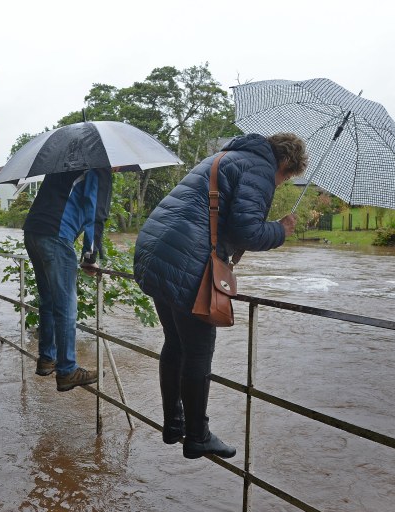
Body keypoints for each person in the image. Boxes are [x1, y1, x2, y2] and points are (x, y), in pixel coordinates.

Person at [133, 133, 308, 459]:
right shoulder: (259, 169)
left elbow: (218, 216)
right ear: (284, 163)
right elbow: (248, 230)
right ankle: (197, 436)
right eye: (284, 178)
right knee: (198, 351)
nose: (280, 183)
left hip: (155, 250)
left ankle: (173, 424)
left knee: (175, 342)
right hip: (185, 258)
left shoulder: (226, 156)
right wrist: (280, 231)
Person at [22, 167, 113, 392]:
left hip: (33, 231)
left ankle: (47, 358)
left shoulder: (65, 162)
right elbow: (95, 212)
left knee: (48, 300)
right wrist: (90, 256)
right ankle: (67, 370)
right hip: (56, 236)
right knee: (66, 307)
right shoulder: (99, 167)